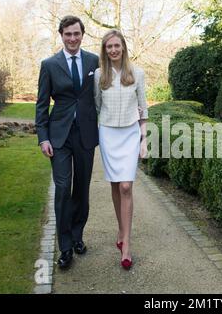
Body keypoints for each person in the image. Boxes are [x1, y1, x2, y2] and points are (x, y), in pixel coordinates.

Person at [35, 15, 99, 270]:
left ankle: (77, 236)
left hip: (85, 135)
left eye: (76, 34)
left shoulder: (95, 61)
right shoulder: (49, 64)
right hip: (59, 136)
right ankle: (65, 248)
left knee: (81, 188)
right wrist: (43, 138)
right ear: (61, 35)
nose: (72, 38)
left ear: (82, 35)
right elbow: (41, 106)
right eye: (67, 34)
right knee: (63, 189)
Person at [94, 29, 148, 270]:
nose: (113, 50)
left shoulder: (137, 73)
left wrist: (144, 140)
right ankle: (121, 230)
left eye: (117, 46)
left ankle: (126, 244)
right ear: (105, 50)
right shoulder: (98, 75)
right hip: (108, 132)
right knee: (116, 185)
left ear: (123, 47)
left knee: (127, 185)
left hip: (130, 133)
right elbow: (97, 105)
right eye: (109, 47)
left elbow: (143, 108)